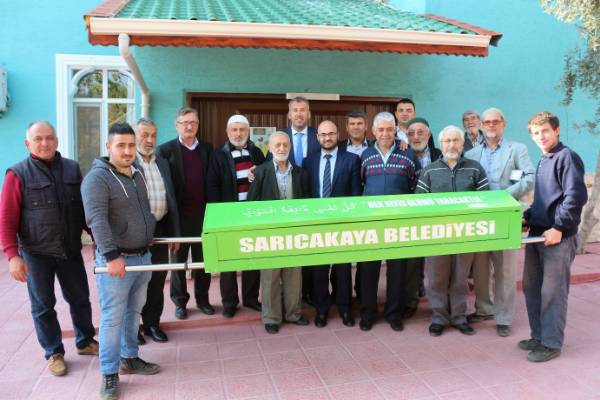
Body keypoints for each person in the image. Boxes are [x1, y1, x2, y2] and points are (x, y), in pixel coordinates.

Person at [0, 121, 98, 376]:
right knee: (43, 305)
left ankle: (85, 340)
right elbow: (6, 218)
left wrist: (97, 238)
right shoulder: (17, 174)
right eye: (38, 139)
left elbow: (83, 210)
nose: (44, 143)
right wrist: (12, 255)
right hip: (36, 254)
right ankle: (54, 352)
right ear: (27, 143)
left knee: (80, 299)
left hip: (70, 250)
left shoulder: (72, 169)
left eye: (49, 138)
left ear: (57, 140)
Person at [82, 123, 160, 400]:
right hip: (117, 262)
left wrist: (147, 231)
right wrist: (112, 256)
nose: (127, 151)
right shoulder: (96, 179)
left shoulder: (137, 173)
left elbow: (143, 210)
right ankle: (109, 374)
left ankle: (130, 357)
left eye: (130, 145)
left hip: (143, 257)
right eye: (121, 146)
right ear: (108, 147)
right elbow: (97, 221)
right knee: (113, 318)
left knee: (133, 313)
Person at [520, 112, 587, 362]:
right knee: (532, 288)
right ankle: (538, 336)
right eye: (536, 133)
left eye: (545, 131)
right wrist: (528, 216)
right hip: (538, 236)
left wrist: (559, 227)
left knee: (553, 292)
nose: (541, 137)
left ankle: (551, 343)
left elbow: (575, 197)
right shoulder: (544, 158)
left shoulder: (566, 157)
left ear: (556, 130)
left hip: (558, 238)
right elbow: (544, 199)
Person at [465, 107, 535, 337]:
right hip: (481, 217)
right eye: (487, 122)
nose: (491, 125)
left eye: (495, 122)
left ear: (503, 124)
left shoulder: (517, 149)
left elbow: (529, 176)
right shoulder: (472, 154)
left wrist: (505, 196)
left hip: (506, 214)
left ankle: (504, 317)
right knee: (481, 267)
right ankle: (484, 308)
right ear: (481, 125)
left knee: (505, 268)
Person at [416, 125, 489, 336]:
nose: (451, 145)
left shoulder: (475, 168)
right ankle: (439, 317)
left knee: (460, 278)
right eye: (447, 141)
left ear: (462, 143)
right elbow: (418, 203)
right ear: (440, 145)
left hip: (465, 235)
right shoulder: (429, 171)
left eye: (455, 140)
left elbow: (485, 199)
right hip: (437, 235)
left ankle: (458, 316)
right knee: (437, 278)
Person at [358, 112, 421, 332]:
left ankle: (394, 313)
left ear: (396, 130)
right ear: (373, 131)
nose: (385, 133)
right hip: (371, 222)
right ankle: (368, 313)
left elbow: (415, 185)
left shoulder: (408, 155)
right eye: (381, 129)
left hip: (399, 223)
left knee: (397, 269)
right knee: (368, 269)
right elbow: (361, 183)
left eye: (389, 129)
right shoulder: (365, 155)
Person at [247, 131, 311, 334]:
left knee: (294, 275)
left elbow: (307, 203)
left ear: (290, 147)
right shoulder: (260, 172)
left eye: (285, 145)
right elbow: (252, 204)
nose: (281, 148)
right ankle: (271, 318)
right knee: (270, 277)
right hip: (269, 233)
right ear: (270, 148)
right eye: (277, 145)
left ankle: (293, 313)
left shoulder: (301, 173)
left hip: (294, 232)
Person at [157, 107, 214, 319]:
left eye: (193, 122)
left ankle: (203, 299)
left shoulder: (208, 149)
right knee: (178, 263)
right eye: (184, 123)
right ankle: (180, 302)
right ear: (177, 125)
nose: (189, 126)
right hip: (178, 219)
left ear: (198, 125)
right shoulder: (165, 151)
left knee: (204, 262)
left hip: (204, 217)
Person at [304, 120, 362, 327]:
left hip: (341, 225)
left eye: (330, 134)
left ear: (338, 134)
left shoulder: (352, 160)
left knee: (342, 270)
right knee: (319, 272)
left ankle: (346, 309)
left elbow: (356, 195)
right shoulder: (308, 161)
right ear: (317, 137)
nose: (327, 138)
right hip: (317, 225)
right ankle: (321, 310)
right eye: (322, 134)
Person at [206, 114, 265, 318]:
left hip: (252, 215)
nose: (238, 134)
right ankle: (229, 302)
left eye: (242, 130)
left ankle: (250, 298)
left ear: (248, 131)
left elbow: (266, 179)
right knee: (228, 261)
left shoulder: (257, 153)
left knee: (252, 258)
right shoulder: (218, 155)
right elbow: (212, 186)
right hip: (229, 215)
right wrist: (218, 214)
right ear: (227, 132)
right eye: (234, 130)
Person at [134, 118, 180, 344]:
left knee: (158, 280)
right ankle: (133, 329)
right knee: (135, 284)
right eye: (144, 135)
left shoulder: (162, 161)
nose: (149, 140)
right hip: (135, 234)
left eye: (153, 135)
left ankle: (152, 323)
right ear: (134, 136)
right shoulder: (126, 162)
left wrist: (175, 234)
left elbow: (171, 199)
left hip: (161, 228)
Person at [281, 96, 319, 305]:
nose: (298, 113)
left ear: (309, 114)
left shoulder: (318, 135)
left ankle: (310, 293)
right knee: (289, 251)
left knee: (311, 250)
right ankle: (288, 294)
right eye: (295, 110)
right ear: (289, 114)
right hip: (287, 204)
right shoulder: (281, 136)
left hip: (312, 201)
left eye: (303, 110)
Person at [403, 117, 442, 319]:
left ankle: (438, 305)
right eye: (411, 133)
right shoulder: (401, 154)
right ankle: (410, 301)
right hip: (410, 215)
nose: (416, 137)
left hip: (435, 215)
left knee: (437, 263)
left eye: (421, 132)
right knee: (411, 263)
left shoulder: (440, 154)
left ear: (429, 134)